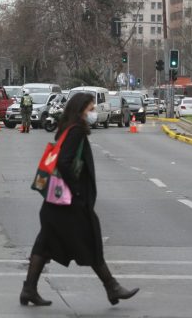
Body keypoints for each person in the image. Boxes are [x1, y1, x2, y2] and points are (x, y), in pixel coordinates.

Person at [21, 92, 138, 307]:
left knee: (44, 244)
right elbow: (65, 162)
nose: (93, 113)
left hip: (54, 204)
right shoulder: (75, 132)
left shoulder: (67, 129)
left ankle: (29, 289)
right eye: (90, 109)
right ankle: (111, 286)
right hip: (68, 203)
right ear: (80, 110)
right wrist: (76, 192)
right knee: (91, 240)